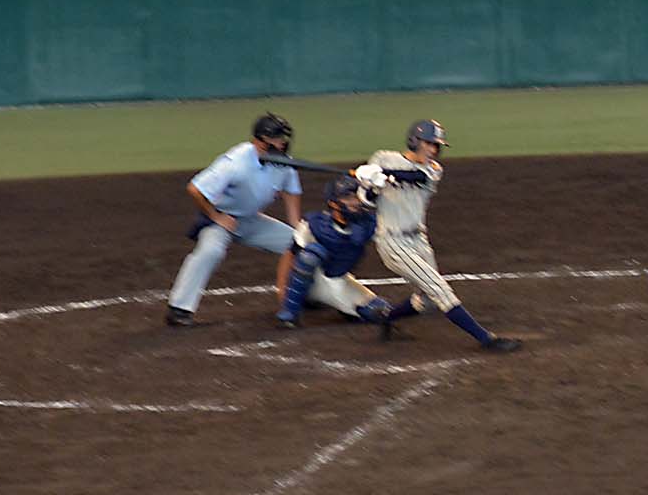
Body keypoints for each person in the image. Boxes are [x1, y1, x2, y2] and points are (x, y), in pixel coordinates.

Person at [354, 120, 523, 352]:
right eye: (430, 144)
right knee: (439, 289)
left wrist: (386, 175)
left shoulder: (433, 169)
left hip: (418, 239)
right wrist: (373, 184)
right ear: (415, 141)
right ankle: (487, 339)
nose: (433, 150)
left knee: (428, 301)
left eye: (436, 146)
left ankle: (387, 316)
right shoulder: (382, 158)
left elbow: (416, 178)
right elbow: (365, 200)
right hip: (392, 242)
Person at [166, 113, 303, 327]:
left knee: (301, 245)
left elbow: (291, 190)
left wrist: (296, 226)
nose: (283, 143)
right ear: (261, 141)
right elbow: (195, 189)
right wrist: (216, 216)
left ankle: (306, 294)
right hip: (222, 220)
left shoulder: (283, 163)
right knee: (210, 251)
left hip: (251, 220)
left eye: (283, 138)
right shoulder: (235, 162)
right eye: (277, 138)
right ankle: (179, 309)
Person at [272, 176, 404, 331]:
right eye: (348, 197)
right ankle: (290, 313)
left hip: (336, 281)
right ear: (333, 203)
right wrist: (282, 293)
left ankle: (344, 308)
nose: (354, 201)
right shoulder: (314, 224)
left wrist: (381, 188)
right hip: (311, 280)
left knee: (380, 312)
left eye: (356, 196)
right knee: (311, 255)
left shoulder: (367, 223)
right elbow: (290, 255)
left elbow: (392, 218)